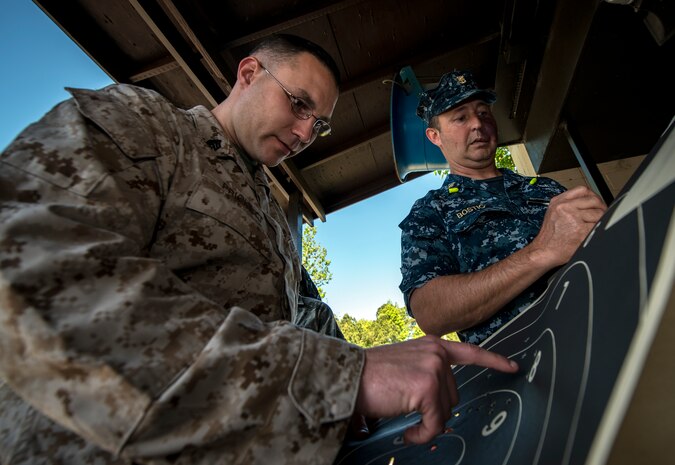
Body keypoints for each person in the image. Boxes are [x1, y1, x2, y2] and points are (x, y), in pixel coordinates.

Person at [0, 35, 518, 465]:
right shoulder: (148, 126)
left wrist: (376, 372)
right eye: (298, 104)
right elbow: (38, 280)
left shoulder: (269, 213)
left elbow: (309, 321)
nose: (303, 133)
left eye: (318, 125)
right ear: (248, 73)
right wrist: (341, 377)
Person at [399, 70, 607, 345]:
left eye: (483, 113)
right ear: (435, 136)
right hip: (529, 368)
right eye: (460, 117)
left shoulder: (545, 187)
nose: (477, 123)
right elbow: (430, 313)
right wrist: (541, 252)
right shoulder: (431, 211)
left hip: (603, 328)